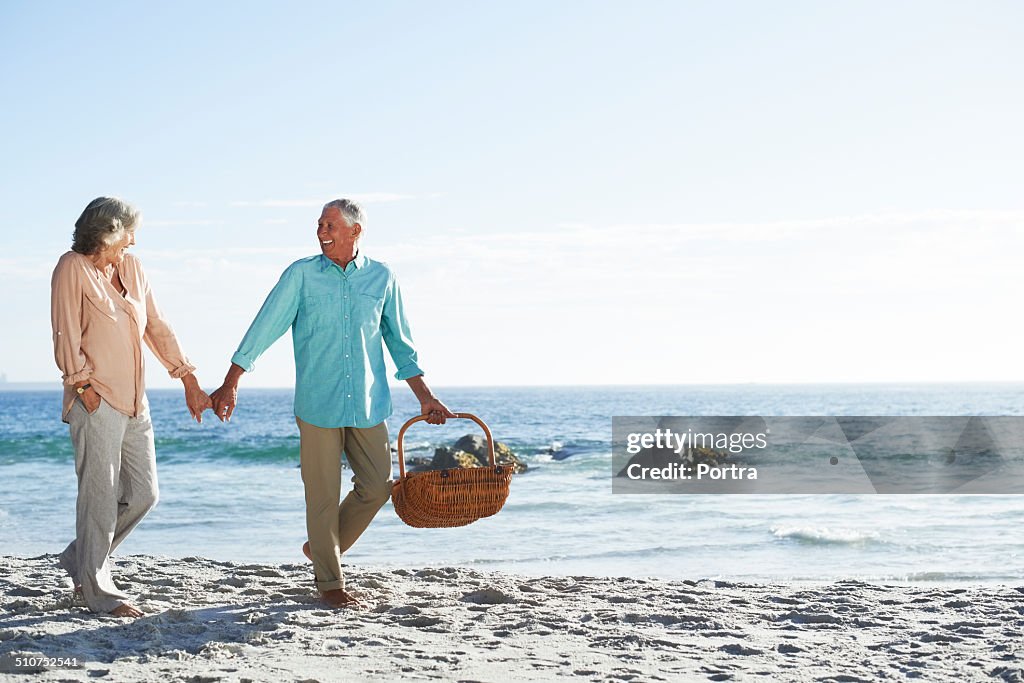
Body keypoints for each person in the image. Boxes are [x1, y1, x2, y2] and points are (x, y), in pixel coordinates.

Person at [210, 198, 454, 609]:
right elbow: (265, 326)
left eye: (330, 225)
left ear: (355, 231)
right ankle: (330, 582)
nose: (322, 232)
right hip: (318, 404)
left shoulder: (381, 277)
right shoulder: (301, 275)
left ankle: (322, 546)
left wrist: (425, 397)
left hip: (368, 403)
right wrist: (232, 380)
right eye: (319, 225)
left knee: (378, 487)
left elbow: (399, 342)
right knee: (321, 496)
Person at [51, 197, 211, 617]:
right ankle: (98, 589)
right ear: (106, 232)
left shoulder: (133, 269)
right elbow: (65, 333)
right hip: (96, 400)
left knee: (144, 494)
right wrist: (82, 387)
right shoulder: (72, 268)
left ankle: (80, 558)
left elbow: (156, 326)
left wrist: (187, 378)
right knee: (98, 499)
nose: (133, 241)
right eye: (128, 232)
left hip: (136, 403)